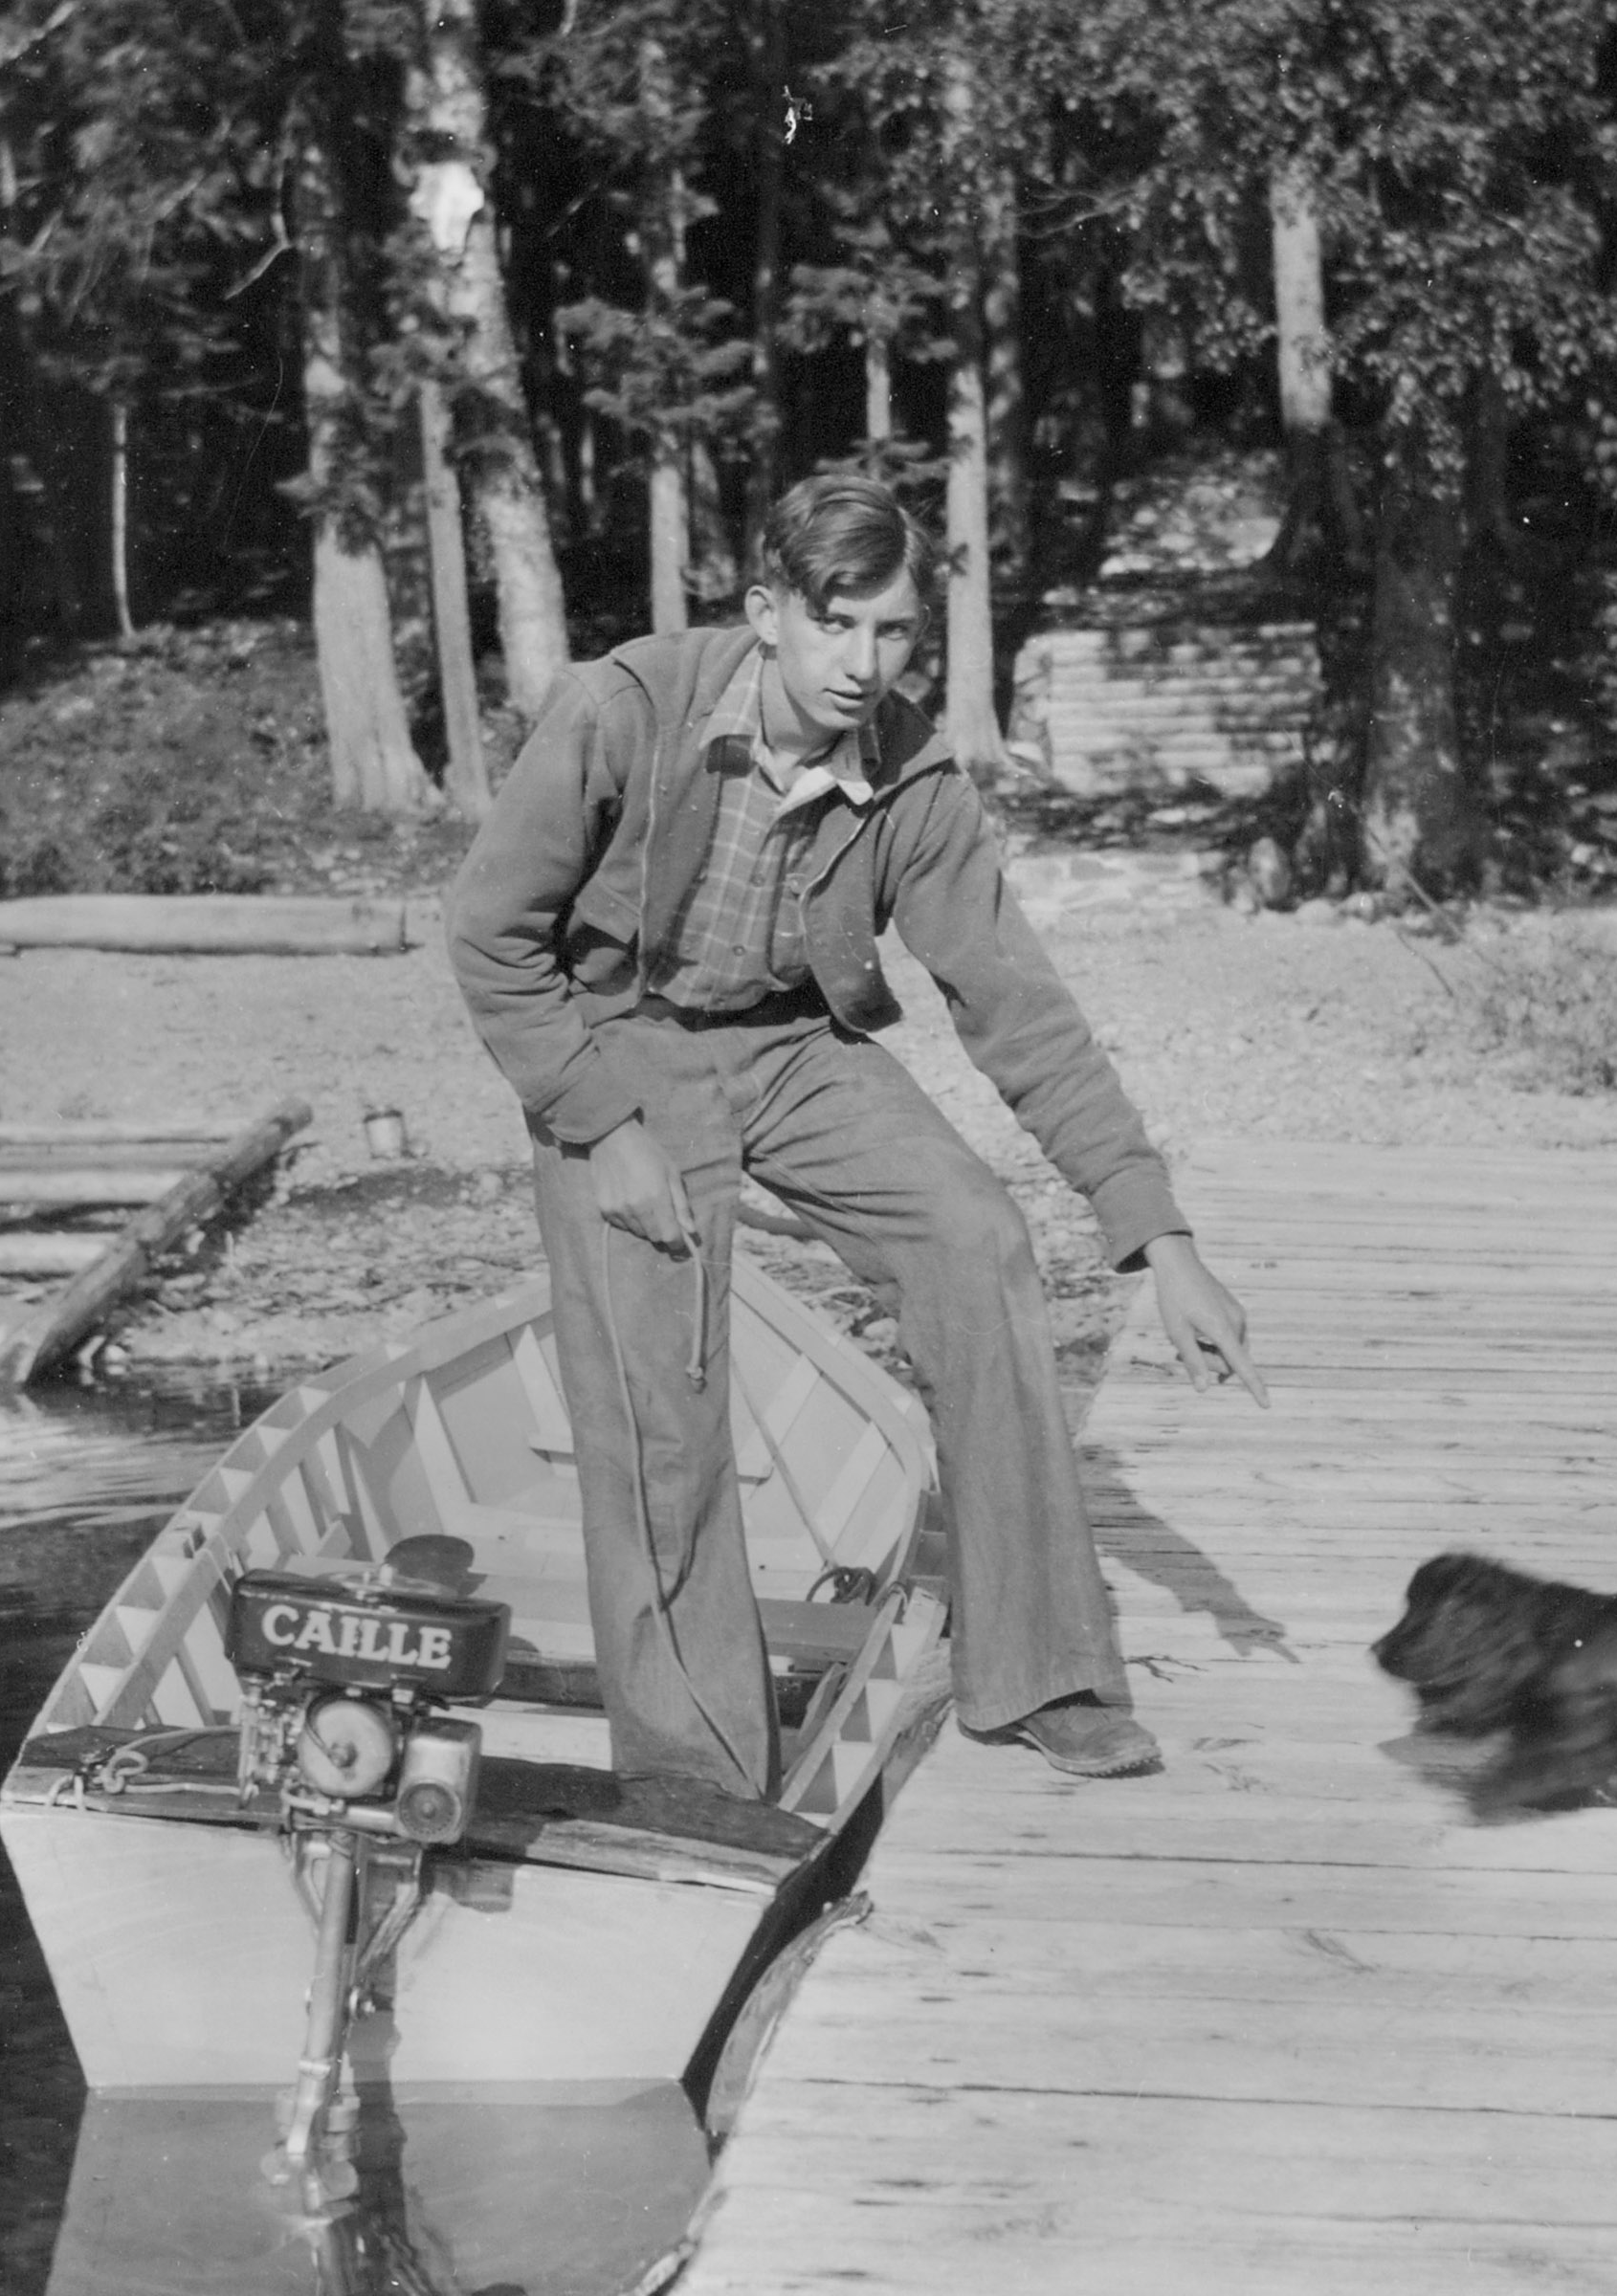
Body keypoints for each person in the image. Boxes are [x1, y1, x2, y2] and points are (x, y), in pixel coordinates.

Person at [445, 471, 1266, 1799]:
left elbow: (1019, 1008)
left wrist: (1158, 1236)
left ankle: (1042, 1672)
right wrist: (603, 1128)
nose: (866, 667)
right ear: (768, 612)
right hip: (615, 1051)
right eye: (840, 628)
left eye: (894, 635)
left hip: (790, 1042)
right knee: (664, 1395)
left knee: (978, 1241)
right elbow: (490, 936)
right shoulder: (621, 709)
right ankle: (696, 1773)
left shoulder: (913, 772)